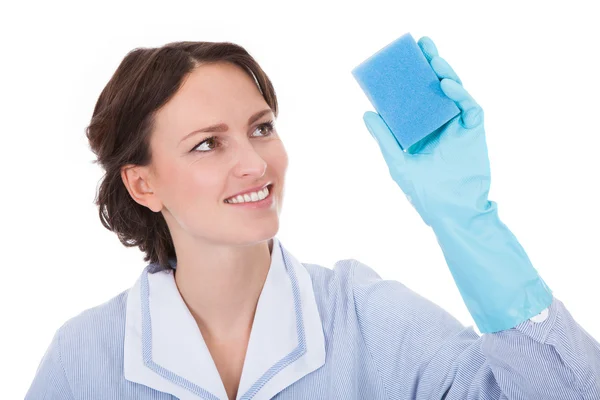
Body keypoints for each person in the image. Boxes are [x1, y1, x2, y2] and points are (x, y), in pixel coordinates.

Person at [26, 37, 600, 400]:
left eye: (261, 128)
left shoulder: (370, 320)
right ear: (142, 182)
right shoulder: (84, 358)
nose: (255, 163)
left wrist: (465, 218)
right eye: (208, 144)